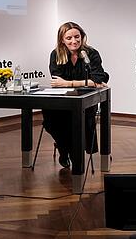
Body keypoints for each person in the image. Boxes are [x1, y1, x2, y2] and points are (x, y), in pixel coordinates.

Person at [46, 22, 109, 169]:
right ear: (62, 39)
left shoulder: (90, 53)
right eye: (69, 38)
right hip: (62, 100)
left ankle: (73, 155)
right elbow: (57, 82)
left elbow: (99, 77)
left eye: (77, 37)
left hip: (86, 100)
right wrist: (88, 82)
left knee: (77, 121)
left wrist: (70, 83)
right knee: (51, 120)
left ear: (82, 37)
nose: (74, 41)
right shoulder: (56, 54)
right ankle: (63, 149)